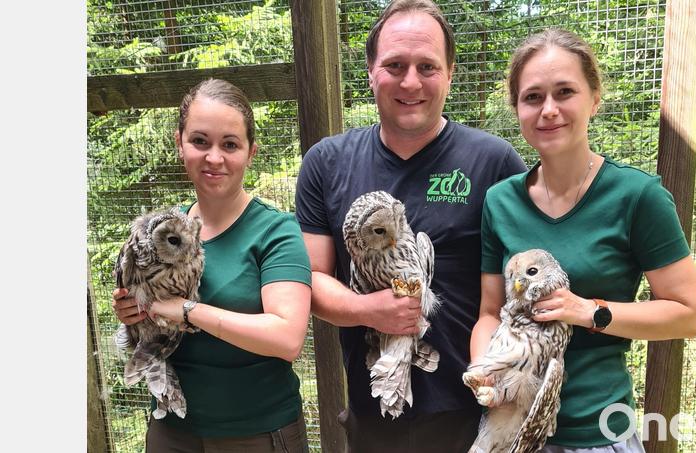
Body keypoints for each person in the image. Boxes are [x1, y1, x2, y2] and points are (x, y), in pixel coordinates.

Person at [294, 0, 527, 451]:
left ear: (451, 73)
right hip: (373, 409)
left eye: (427, 66)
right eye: (395, 65)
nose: (411, 81)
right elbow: (310, 279)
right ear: (370, 71)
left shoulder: (492, 161)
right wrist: (368, 310)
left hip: (474, 412)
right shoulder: (327, 162)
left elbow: (525, 286)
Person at [471, 28, 696, 451]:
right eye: (532, 97)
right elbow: (489, 312)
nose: (549, 110)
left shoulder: (637, 196)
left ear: (594, 99)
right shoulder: (500, 201)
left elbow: (689, 314)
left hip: (597, 432)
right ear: (517, 109)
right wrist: (484, 368)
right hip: (512, 426)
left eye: (565, 92)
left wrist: (590, 312)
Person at [112, 78, 312, 452]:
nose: (214, 157)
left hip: (256, 432)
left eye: (230, 144)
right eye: (200, 141)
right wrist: (135, 312)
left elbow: (288, 338)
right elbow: (153, 316)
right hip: (171, 427)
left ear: (251, 153)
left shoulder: (275, 230)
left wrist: (186, 311)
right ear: (180, 143)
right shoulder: (162, 229)